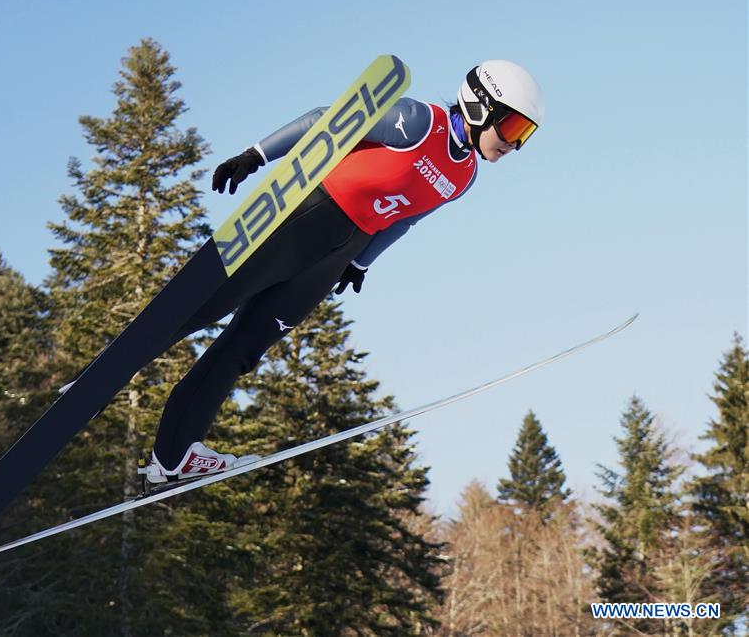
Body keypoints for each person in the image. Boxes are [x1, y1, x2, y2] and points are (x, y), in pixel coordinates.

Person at [145, 59, 544, 482]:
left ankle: (173, 455)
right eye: (514, 128)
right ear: (481, 106)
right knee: (207, 304)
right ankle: (93, 383)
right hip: (308, 215)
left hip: (338, 253)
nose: (514, 145)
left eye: (525, 136)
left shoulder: (464, 177)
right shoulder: (417, 122)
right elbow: (325, 120)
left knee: (244, 347)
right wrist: (256, 155)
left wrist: (360, 262)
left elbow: (406, 219)